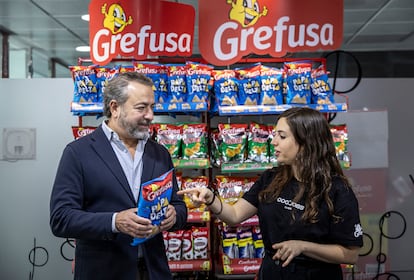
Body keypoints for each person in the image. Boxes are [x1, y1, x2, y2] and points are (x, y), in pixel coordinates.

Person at [178, 107, 363, 280]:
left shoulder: (337, 190)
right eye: (274, 135)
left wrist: (303, 247)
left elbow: (351, 254)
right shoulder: (271, 178)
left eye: (282, 136)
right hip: (272, 272)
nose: (273, 141)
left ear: (306, 142)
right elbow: (234, 215)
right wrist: (210, 198)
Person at [50, 72, 187, 280]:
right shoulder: (78, 153)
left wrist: (174, 215)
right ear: (115, 108)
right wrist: (115, 221)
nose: (150, 115)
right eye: (141, 108)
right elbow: (61, 218)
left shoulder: (159, 153)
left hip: (153, 271)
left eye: (152, 107)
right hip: (103, 272)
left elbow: (178, 204)